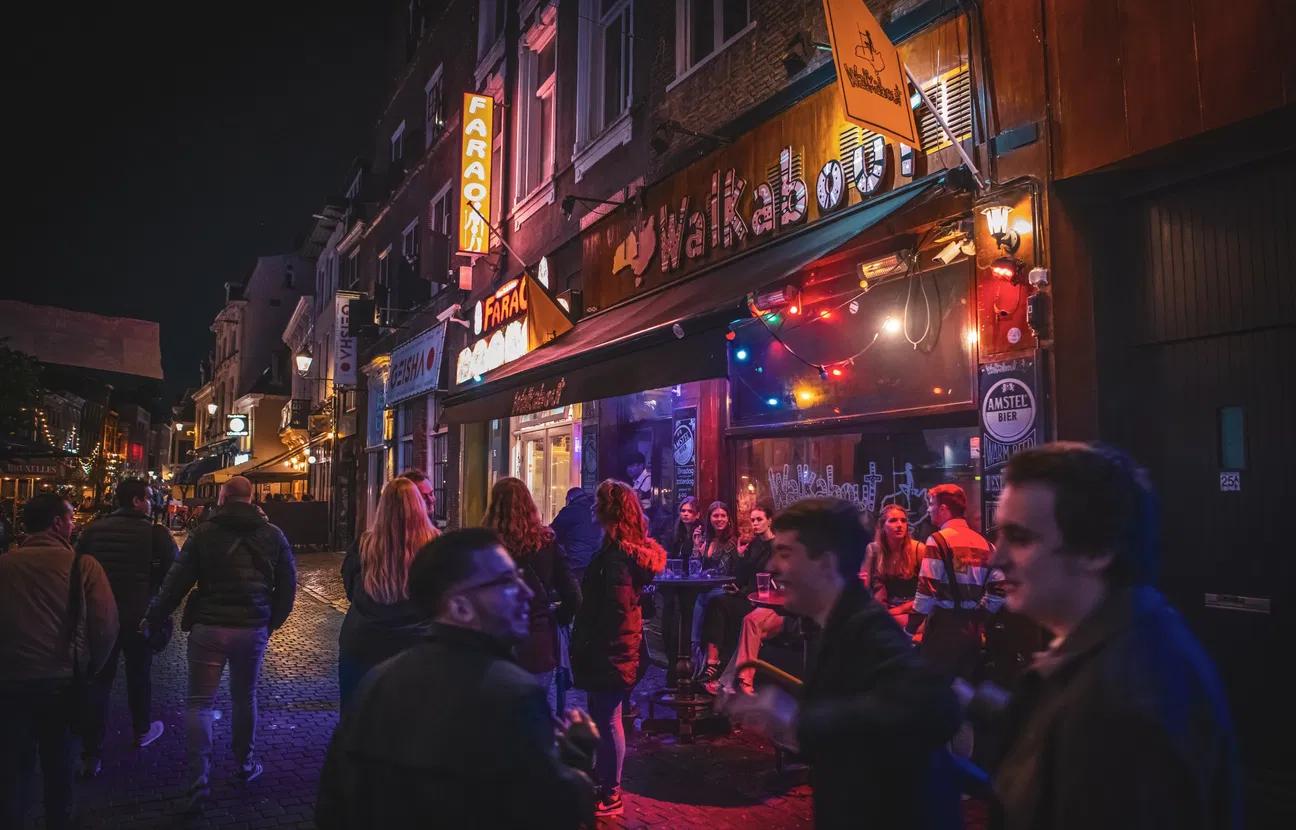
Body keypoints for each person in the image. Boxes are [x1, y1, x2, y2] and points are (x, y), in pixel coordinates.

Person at [960, 443, 1240, 828]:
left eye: (1020, 538)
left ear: (1096, 549)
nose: (997, 557)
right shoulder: (1117, 645)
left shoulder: (1124, 700)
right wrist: (971, 701)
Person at [316, 528, 597, 829]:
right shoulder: (512, 696)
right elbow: (549, 814)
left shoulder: (377, 684)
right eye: (506, 582)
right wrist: (575, 758)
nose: (526, 591)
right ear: (460, 606)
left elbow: (334, 807)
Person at [718, 497, 961, 829]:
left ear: (826, 564)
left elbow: (935, 706)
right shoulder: (835, 623)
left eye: (786, 554)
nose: (773, 567)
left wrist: (796, 721)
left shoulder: (867, 628)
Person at [144, 475, 297, 812]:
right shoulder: (273, 535)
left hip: (210, 627)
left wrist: (155, 616)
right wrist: (270, 623)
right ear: (252, 497)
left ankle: (199, 779)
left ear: (223, 497)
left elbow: (176, 582)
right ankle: (244, 765)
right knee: (245, 698)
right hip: (252, 628)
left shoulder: (204, 534)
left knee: (199, 703)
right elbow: (288, 586)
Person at [0, 493, 118, 830]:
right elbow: (106, 625)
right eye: (69, 518)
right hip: (62, 681)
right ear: (56, 523)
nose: (73, 523)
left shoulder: (5, 565)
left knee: (13, 767)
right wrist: (90, 667)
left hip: (11, 682)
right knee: (59, 763)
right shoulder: (83, 566)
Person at [569, 479, 666, 818]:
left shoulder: (616, 559)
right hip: (615, 646)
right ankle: (606, 781)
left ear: (607, 510)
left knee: (609, 719)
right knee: (605, 716)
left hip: (611, 648)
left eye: (597, 504)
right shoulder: (618, 551)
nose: (592, 510)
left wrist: (590, 641)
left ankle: (612, 793)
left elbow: (612, 609)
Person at [74, 479, 178, 775]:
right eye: (147, 497)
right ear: (135, 500)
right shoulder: (155, 533)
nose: (150, 501)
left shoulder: (93, 530)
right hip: (137, 617)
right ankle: (141, 730)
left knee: (99, 681)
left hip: (100, 615)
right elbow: (174, 571)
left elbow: (77, 567)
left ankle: (91, 752)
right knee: (139, 676)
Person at [337, 478, 439, 708]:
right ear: (419, 506)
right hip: (417, 646)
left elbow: (351, 586)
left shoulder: (364, 544)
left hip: (362, 642)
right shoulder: (436, 544)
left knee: (358, 720)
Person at [482, 477, 581, 711]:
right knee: (535, 719)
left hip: (495, 647)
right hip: (538, 644)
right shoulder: (546, 541)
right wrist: (557, 617)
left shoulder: (485, 544)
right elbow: (573, 596)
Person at [907, 483, 1006, 681]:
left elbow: (926, 590)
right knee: (966, 685)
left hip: (943, 627)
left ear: (943, 509)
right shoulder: (986, 545)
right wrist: (979, 617)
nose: (929, 509)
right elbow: (1000, 588)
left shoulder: (938, 541)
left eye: (931, 504)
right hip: (971, 630)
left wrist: (909, 630)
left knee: (937, 687)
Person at [701, 501, 778, 694]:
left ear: (770, 520)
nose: (755, 524)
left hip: (764, 602)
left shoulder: (778, 546)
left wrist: (743, 591)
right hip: (747, 596)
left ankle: (722, 672)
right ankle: (712, 661)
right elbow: (741, 576)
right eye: (752, 520)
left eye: (759, 520)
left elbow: (774, 581)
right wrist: (740, 556)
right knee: (715, 601)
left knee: (724, 606)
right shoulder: (753, 545)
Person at [689, 501, 738, 673]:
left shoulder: (732, 541)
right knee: (695, 599)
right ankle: (694, 661)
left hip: (723, 589)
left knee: (706, 598)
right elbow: (693, 568)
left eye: (723, 515)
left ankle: (705, 666)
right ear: (709, 518)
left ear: (728, 519)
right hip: (705, 589)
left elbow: (722, 571)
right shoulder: (706, 539)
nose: (719, 519)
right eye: (715, 516)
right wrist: (696, 546)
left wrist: (705, 561)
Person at [861, 504, 925, 631]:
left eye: (903, 520)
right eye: (893, 520)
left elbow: (927, 593)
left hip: (912, 609)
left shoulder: (918, 549)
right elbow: (865, 585)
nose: (900, 525)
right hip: (884, 608)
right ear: (883, 526)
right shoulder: (874, 550)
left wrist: (898, 610)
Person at [550, 487, 600, 579]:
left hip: (576, 562)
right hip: (596, 563)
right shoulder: (596, 510)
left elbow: (552, 532)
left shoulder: (570, 511)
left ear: (570, 499)